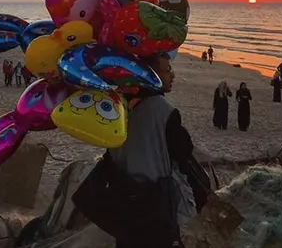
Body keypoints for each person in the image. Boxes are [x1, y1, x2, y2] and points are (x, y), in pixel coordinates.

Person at [73, 52, 206, 248]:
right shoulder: (163, 109)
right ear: (151, 74)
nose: (173, 75)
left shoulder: (118, 105)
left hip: (122, 198)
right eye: (167, 70)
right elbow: (183, 151)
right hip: (153, 202)